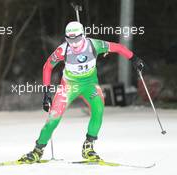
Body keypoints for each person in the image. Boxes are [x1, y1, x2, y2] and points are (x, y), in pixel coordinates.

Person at [19, 21, 144, 163]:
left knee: (98, 109)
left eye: (77, 39)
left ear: (83, 36)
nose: (74, 43)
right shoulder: (62, 50)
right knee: (53, 118)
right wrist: (47, 93)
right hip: (69, 86)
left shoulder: (94, 45)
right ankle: (37, 150)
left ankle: (88, 147)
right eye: (70, 39)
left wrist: (134, 58)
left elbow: (118, 47)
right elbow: (47, 67)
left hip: (89, 85)